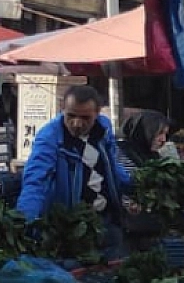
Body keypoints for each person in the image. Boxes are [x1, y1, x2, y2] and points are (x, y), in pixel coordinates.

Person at [18, 86, 132, 257]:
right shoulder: (49, 138)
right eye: (71, 116)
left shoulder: (104, 129)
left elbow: (112, 166)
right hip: (72, 230)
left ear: (97, 113)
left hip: (108, 222)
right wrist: (24, 222)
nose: (77, 123)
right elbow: (35, 183)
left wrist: (135, 186)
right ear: (62, 109)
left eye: (85, 118)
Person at [116, 110, 174, 175]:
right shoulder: (121, 154)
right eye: (159, 133)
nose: (163, 139)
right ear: (143, 131)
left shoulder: (155, 157)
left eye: (166, 134)